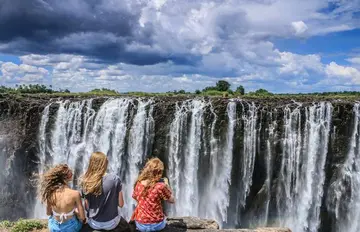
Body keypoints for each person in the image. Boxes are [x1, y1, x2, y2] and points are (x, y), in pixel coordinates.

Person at [80, 152, 127, 231]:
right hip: (111, 223)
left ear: (91, 164)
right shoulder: (115, 179)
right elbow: (121, 204)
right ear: (105, 163)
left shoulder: (85, 181)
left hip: (94, 223)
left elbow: (87, 207)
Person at [132, 157, 175, 232]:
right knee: (164, 218)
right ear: (159, 172)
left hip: (141, 224)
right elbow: (172, 200)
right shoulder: (161, 186)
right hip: (157, 225)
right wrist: (167, 185)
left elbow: (135, 197)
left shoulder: (138, 184)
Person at [39, 164, 85, 232]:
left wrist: (58, 211)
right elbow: (82, 217)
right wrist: (74, 212)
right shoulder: (75, 194)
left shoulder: (50, 192)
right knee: (81, 222)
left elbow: (48, 213)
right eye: (70, 171)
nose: (72, 172)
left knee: (51, 218)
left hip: (54, 228)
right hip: (71, 228)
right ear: (69, 176)